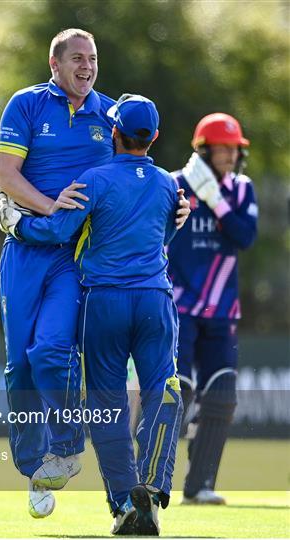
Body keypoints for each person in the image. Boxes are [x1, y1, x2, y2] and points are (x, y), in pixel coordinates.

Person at [0, 28, 190, 519]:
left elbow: (134, 165)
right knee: (20, 364)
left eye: (93, 58)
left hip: (71, 256)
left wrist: (173, 205)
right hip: (24, 250)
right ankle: (33, 463)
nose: (88, 66)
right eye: (77, 58)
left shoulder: (109, 113)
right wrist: (43, 209)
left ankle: (65, 448)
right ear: (54, 63)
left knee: (53, 348)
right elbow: (4, 175)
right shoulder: (26, 104)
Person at [167, 113, 258, 504]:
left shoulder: (241, 190)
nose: (229, 155)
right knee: (177, 391)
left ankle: (200, 485)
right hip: (179, 305)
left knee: (221, 396)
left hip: (222, 311)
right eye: (222, 148)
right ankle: (151, 480)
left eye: (234, 149)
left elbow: (245, 236)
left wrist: (216, 201)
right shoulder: (174, 184)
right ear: (203, 150)